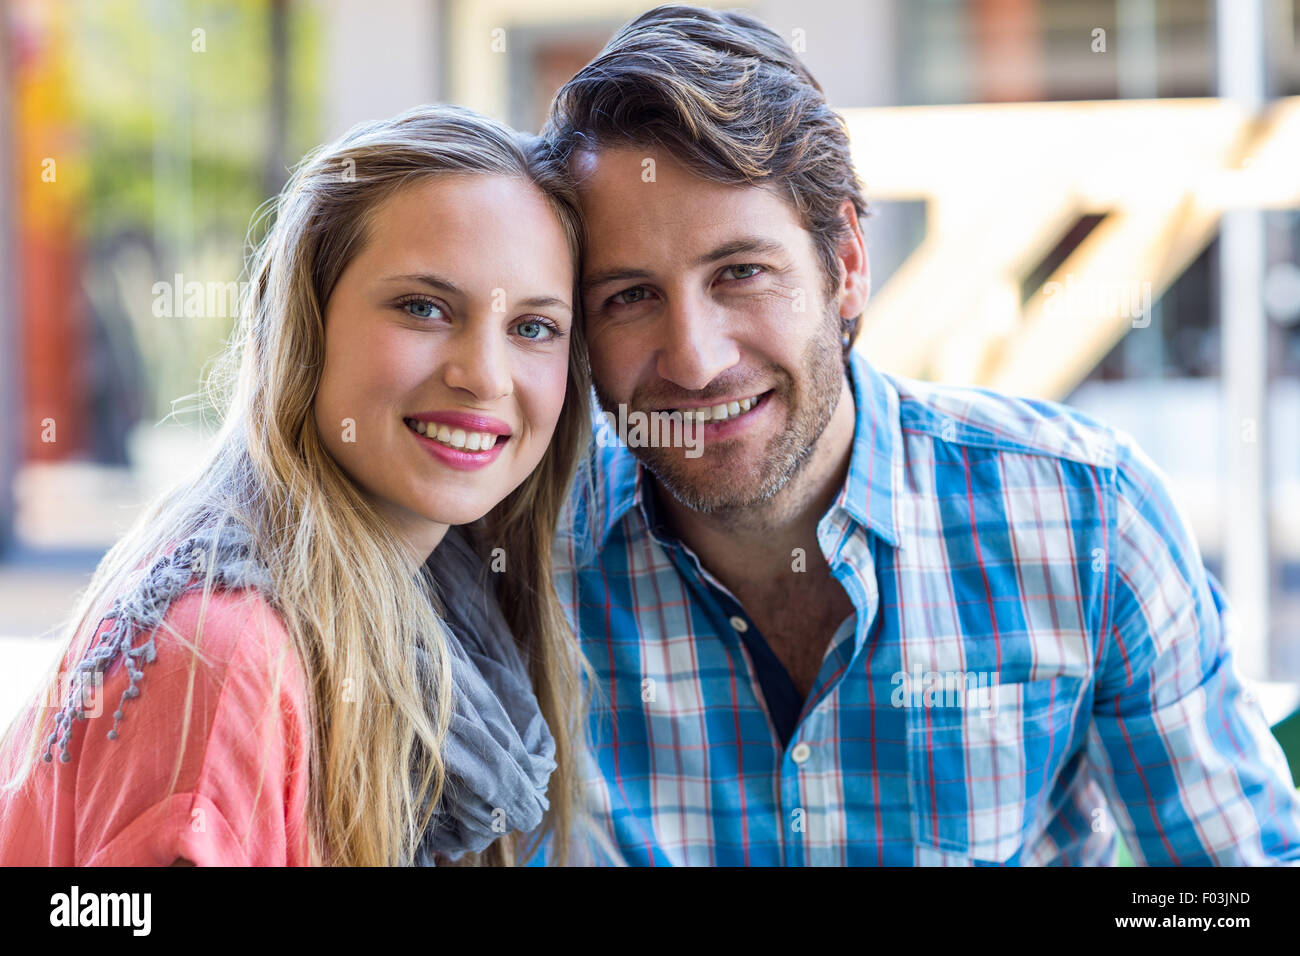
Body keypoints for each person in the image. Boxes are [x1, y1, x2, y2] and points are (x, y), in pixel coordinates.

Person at [542, 4, 1300, 865]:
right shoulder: (522, 567)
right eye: (629, 296)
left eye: (742, 272)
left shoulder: (1090, 520)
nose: (695, 357)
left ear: (848, 262)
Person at [0, 104, 597, 866]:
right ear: (302, 325)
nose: (483, 374)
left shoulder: (445, 603)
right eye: (423, 307)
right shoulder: (225, 657)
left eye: (534, 327)